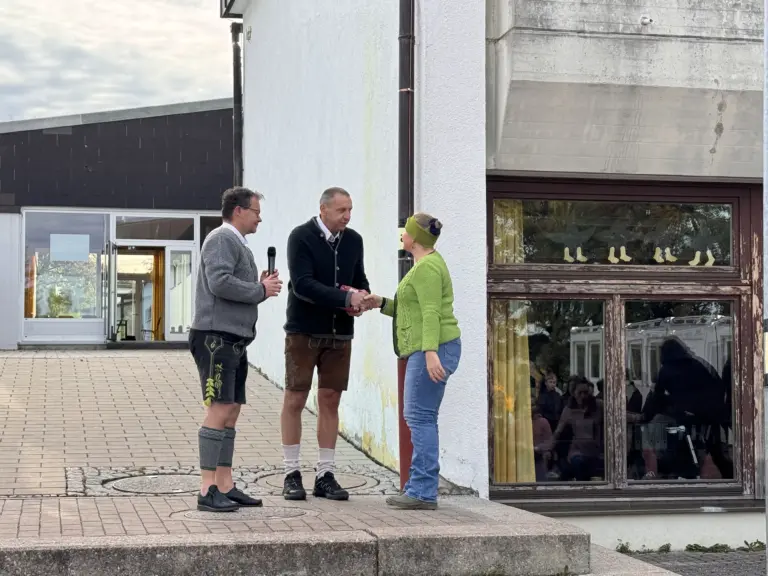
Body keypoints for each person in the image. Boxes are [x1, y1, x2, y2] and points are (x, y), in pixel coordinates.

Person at [189, 186, 283, 512]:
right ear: (239, 211)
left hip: (234, 338)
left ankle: (224, 484)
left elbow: (229, 281)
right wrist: (259, 289)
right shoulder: (221, 239)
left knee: (231, 409)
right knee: (219, 408)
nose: (259, 218)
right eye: (256, 211)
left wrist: (257, 285)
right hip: (216, 337)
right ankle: (206, 488)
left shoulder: (235, 243)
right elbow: (219, 282)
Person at [364, 212, 461, 510]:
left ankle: (421, 491)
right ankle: (420, 487)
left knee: (419, 417)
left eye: (404, 232)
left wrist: (430, 352)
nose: (401, 235)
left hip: (430, 348)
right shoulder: (426, 264)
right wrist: (380, 302)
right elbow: (413, 311)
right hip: (429, 346)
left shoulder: (427, 268)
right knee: (422, 417)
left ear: (415, 239)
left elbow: (431, 312)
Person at [281, 187, 370, 501]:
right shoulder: (300, 237)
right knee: (295, 398)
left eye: (350, 210)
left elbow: (360, 278)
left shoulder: (354, 240)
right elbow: (303, 285)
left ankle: (325, 474)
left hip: (340, 333)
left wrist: (363, 298)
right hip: (303, 331)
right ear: (323, 210)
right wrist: (346, 297)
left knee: (330, 400)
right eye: (341, 210)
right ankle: (291, 473)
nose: (347, 217)